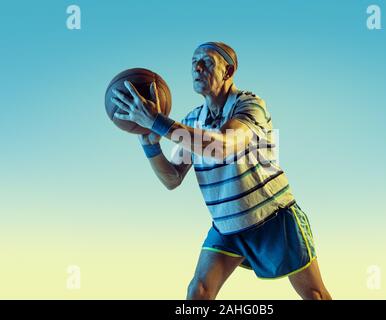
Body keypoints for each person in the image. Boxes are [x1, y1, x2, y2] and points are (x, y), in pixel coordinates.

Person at [111, 41, 332, 300]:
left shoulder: (250, 105)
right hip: (227, 223)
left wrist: (158, 123)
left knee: (314, 295)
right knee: (199, 291)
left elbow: (224, 146)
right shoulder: (192, 121)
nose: (197, 67)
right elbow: (172, 179)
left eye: (206, 61)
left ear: (228, 71)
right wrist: (150, 145)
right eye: (193, 62)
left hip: (271, 215)